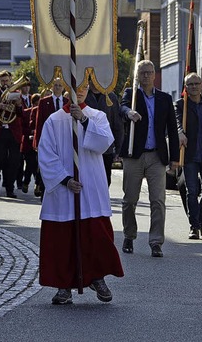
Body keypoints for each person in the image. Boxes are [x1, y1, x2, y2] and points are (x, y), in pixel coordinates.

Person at [38, 83, 124, 305]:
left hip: (90, 184)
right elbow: (46, 154)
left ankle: (97, 277)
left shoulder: (97, 116)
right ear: (67, 89)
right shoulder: (54, 120)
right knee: (62, 238)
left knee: (96, 235)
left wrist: (84, 121)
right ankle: (64, 285)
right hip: (65, 187)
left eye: (85, 86)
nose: (81, 90)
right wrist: (65, 179)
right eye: (76, 86)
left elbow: (105, 144)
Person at [119, 60, 180, 258]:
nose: (146, 75)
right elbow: (123, 107)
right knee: (130, 200)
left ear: (155, 75)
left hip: (157, 156)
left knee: (158, 201)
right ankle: (129, 234)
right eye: (142, 72)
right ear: (138, 75)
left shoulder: (164, 98)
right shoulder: (132, 94)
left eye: (149, 72)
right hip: (134, 155)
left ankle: (156, 242)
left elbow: (172, 128)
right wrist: (130, 113)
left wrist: (175, 158)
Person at [175, 72, 202, 239]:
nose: (193, 87)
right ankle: (195, 226)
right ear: (186, 87)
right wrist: (179, 132)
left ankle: (201, 221)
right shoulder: (180, 105)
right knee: (192, 191)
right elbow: (177, 121)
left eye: (196, 83)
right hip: (190, 154)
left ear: (201, 85)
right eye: (190, 84)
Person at [33, 77, 68, 199]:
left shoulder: (68, 101)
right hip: (48, 140)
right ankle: (44, 193)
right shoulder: (44, 102)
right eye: (55, 85)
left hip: (63, 141)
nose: (57, 87)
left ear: (64, 88)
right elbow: (39, 123)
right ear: (51, 86)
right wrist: (37, 142)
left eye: (60, 85)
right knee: (46, 167)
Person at [0, 71, 23, 198]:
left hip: (13, 131)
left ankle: (10, 188)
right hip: (0, 131)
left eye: (7, 80)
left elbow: (21, 114)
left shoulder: (16, 93)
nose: (5, 83)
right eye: (2, 81)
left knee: (14, 161)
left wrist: (19, 106)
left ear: (11, 80)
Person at [85, 79, 124, 186]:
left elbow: (117, 125)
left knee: (105, 181)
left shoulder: (111, 97)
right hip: (86, 148)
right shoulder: (84, 96)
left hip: (106, 149)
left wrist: (118, 149)